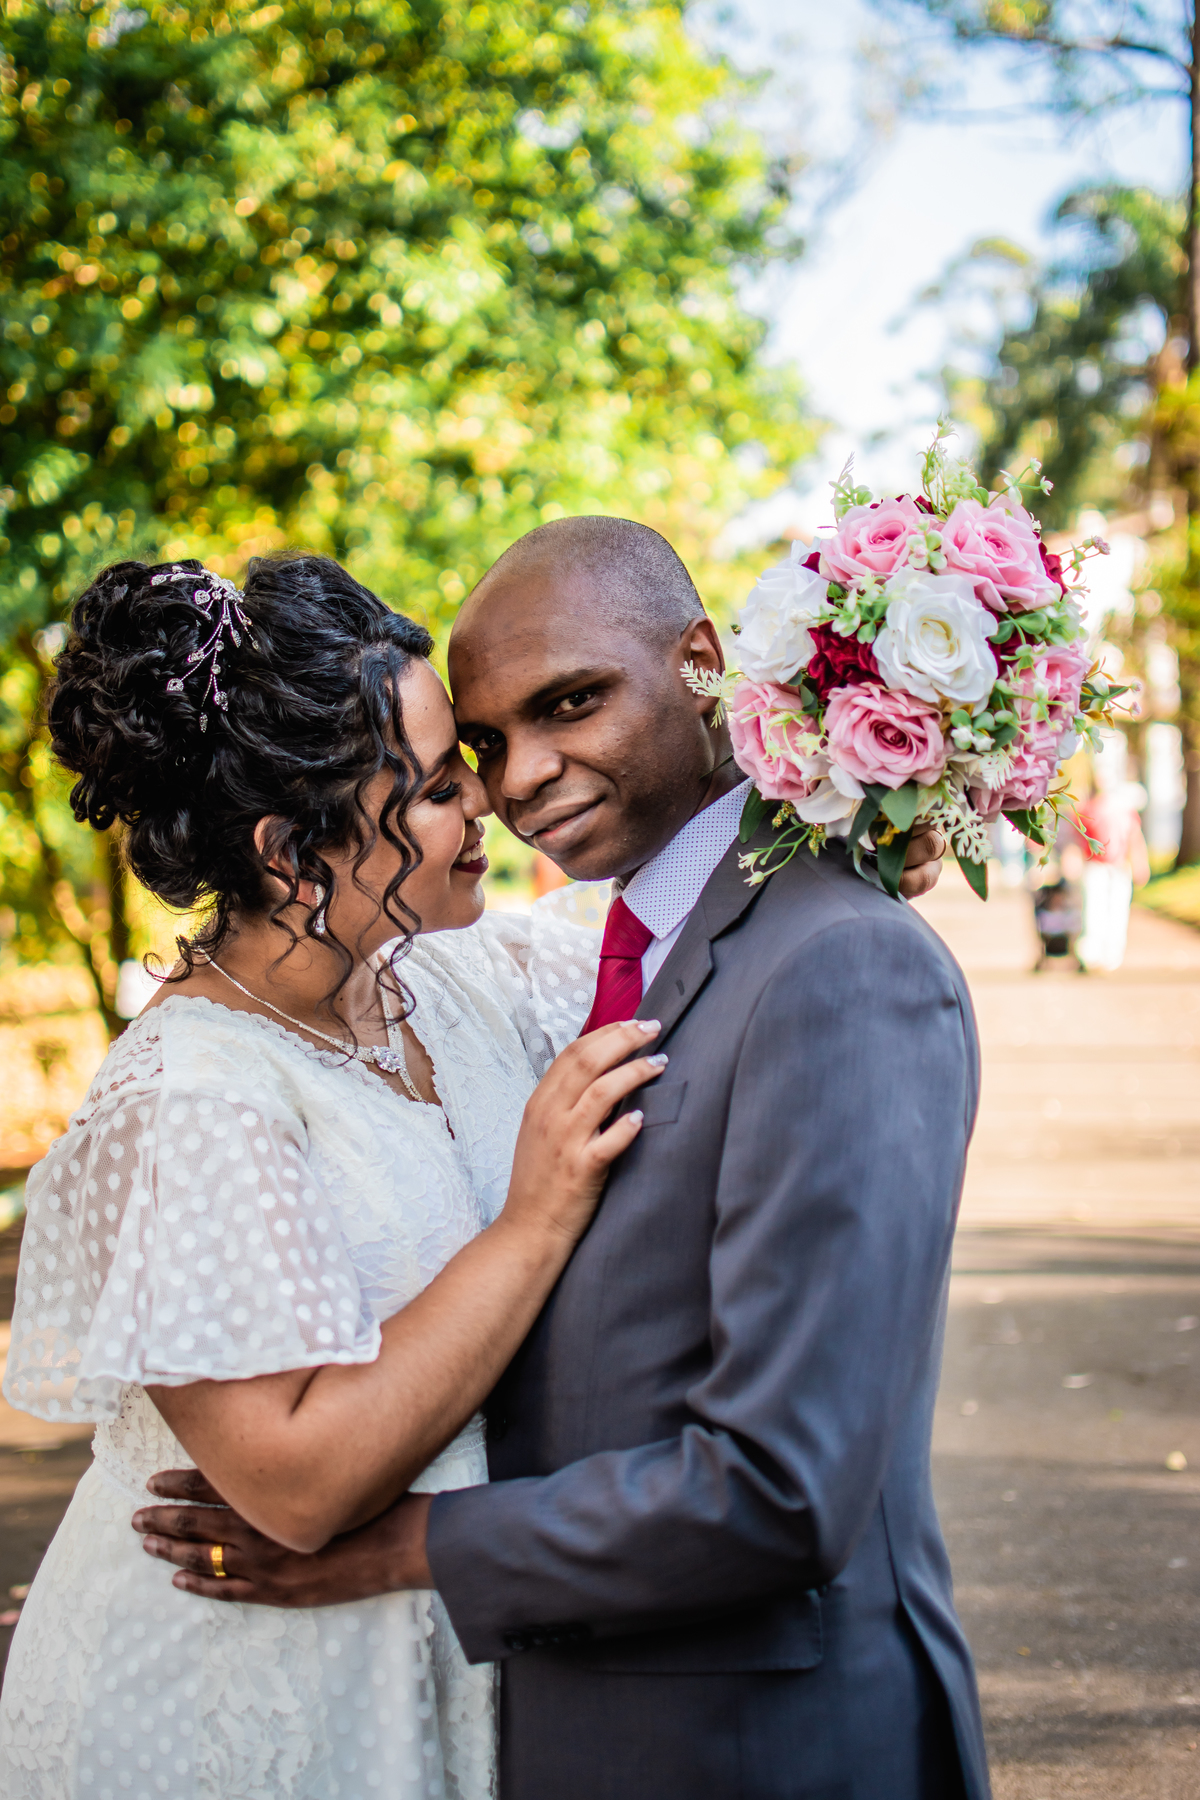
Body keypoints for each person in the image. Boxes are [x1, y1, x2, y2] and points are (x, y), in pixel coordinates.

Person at [135, 518, 988, 1800]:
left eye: (571, 703)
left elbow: (782, 1487)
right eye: (476, 750)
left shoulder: (839, 963)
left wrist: (401, 1548)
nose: (513, 781)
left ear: (703, 664)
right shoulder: (551, 967)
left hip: (758, 1746)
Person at [0, 552, 669, 1800]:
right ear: (290, 853)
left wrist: (839, 837)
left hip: (425, 1655)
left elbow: (680, 949)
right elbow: (294, 1483)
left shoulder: (456, 975)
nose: (488, 800)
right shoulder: (195, 1101)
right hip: (230, 1703)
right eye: (434, 787)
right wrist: (534, 1221)